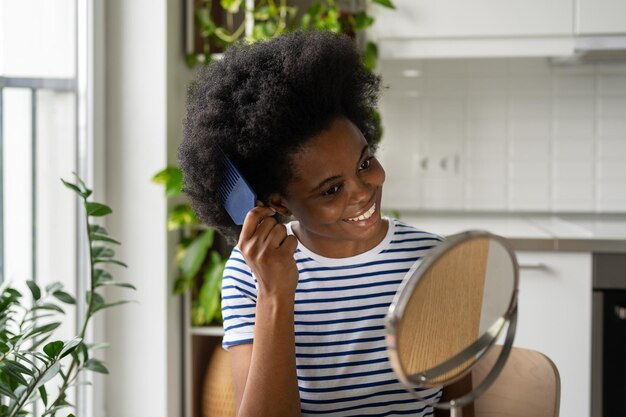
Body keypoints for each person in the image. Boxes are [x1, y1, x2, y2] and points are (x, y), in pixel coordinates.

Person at [179, 30, 444, 417]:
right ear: (276, 203)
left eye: (365, 163)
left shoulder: (431, 259)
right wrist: (276, 291)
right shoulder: (247, 273)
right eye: (331, 189)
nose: (362, 191)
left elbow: (457, 402)